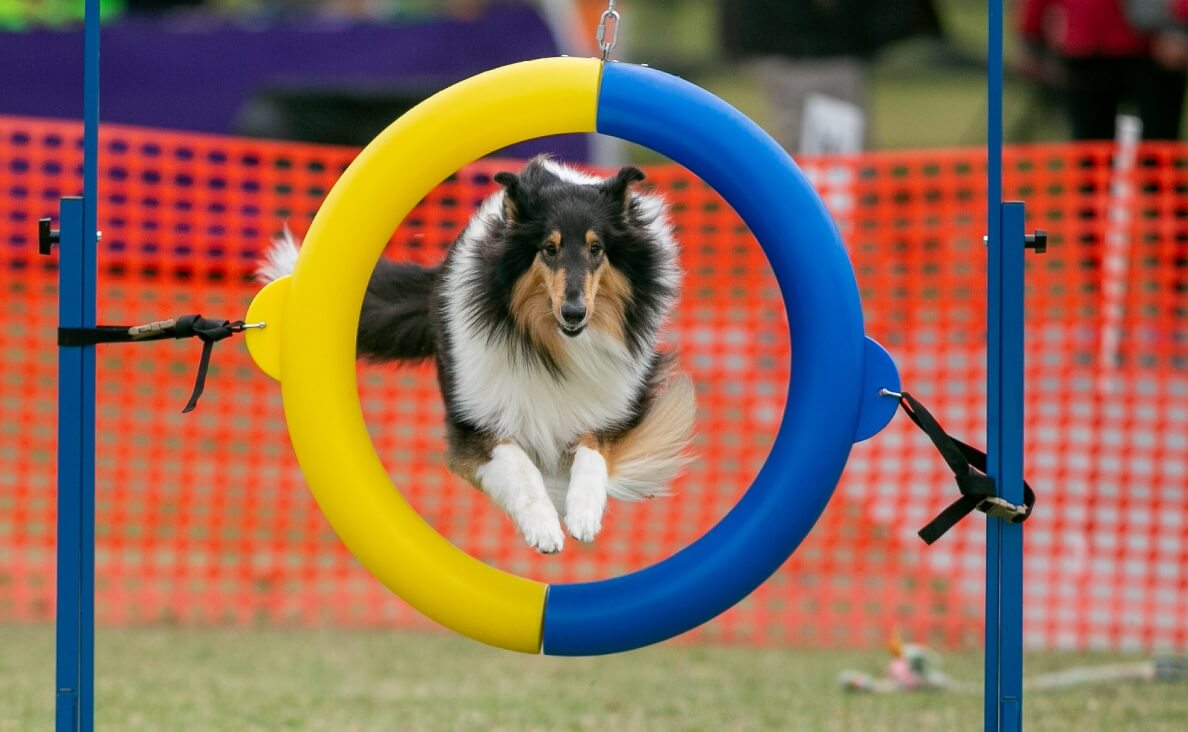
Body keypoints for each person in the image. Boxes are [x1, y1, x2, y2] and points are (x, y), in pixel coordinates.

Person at [1018, 0, 1188, 140]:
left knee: (1159, 146)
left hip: (1155, 47)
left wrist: (1180, 26)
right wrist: (1032, 36)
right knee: (1090, 149)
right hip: (1087, 49)